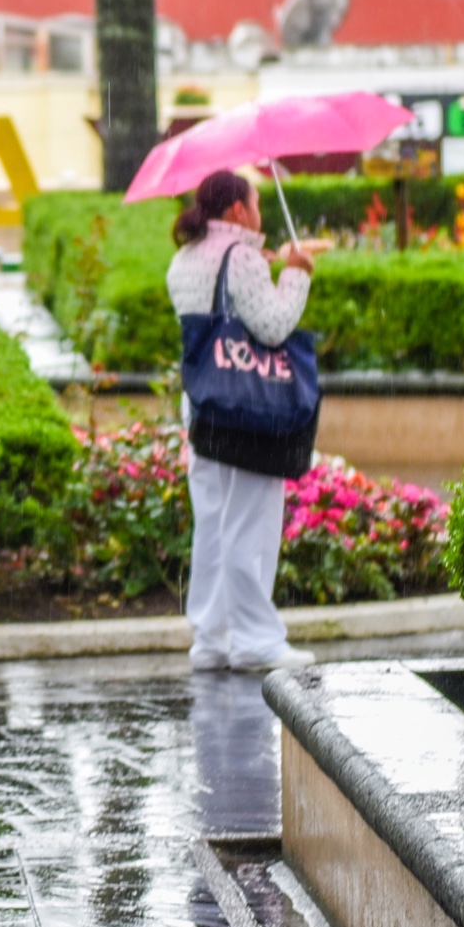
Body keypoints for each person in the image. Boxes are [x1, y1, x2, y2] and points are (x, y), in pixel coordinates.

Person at [167, 169, 321, 676]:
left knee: (212, 521)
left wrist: (267, 268)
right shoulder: (245, 259)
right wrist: (297, 273)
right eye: (255, 203)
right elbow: (275, 327)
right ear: (237, 210)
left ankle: (211, 638)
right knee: (250, 521)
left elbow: (221, 306)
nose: (260, 213)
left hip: (206, 402)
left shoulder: (185, 257)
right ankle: (256, 639)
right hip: (249, 407)